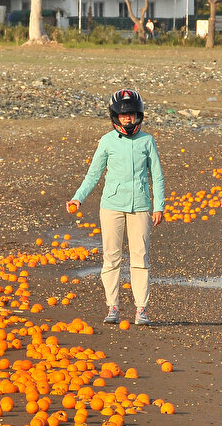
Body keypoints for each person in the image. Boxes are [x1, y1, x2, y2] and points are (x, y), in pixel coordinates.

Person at [67, 89, 165, 326]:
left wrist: (159, 206)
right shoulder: (107, 141)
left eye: (131, 114)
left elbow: (157, 176)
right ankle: (113, 306)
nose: (128, 119)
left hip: (140, 206)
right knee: (111, 258)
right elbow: (94, 174)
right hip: (111, 207)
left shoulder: (147, 141)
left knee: (140, 258)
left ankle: (141, 309)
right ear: (115, 117)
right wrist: (77, 197)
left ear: (138, 115)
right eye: (123, 115)